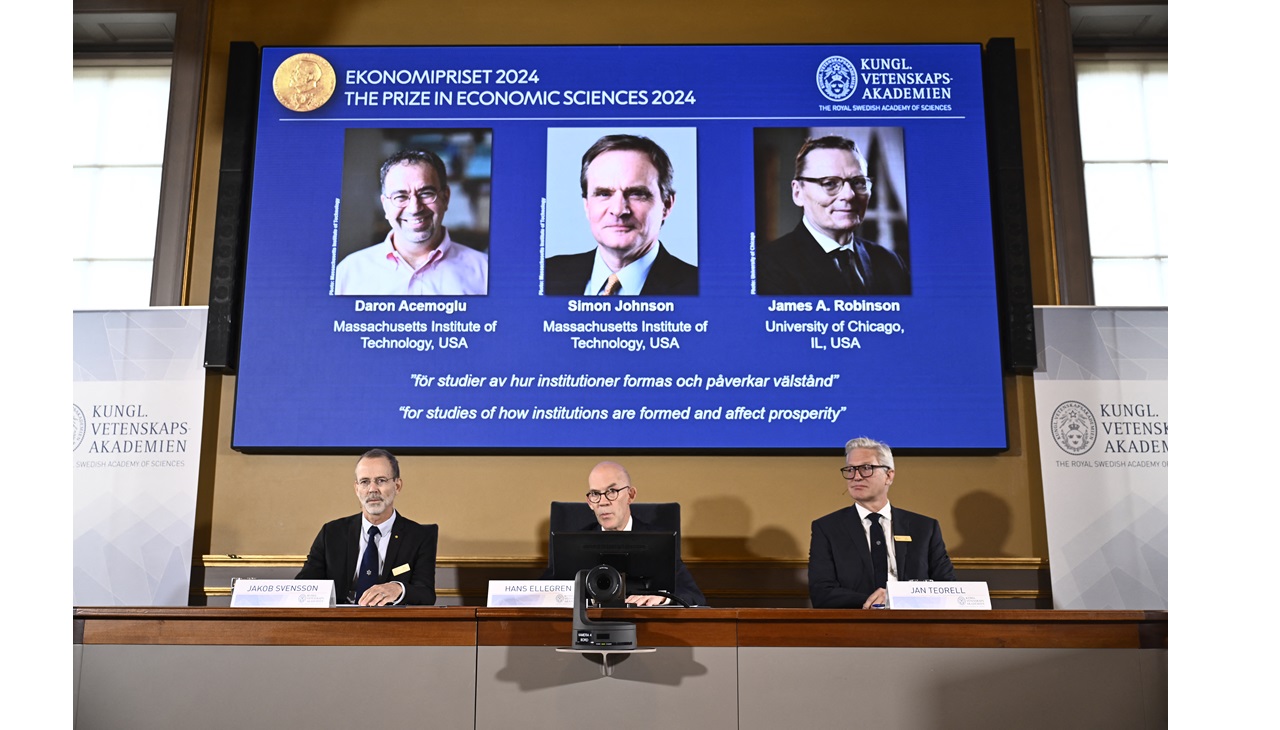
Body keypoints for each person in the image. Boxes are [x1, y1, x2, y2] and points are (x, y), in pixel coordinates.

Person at [808, 437, 955, 608]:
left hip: (915, 624)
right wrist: (874, 601)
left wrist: (900, 598)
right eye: (850, 469)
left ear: (889, 475)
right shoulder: (827, 528)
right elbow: (821, 592)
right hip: (854, 625)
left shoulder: (924, 528)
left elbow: (947, 587)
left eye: (866, 468)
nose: (856, 477)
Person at [545, 134, 697, 296]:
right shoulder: (545, 276)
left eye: (637, 194)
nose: (618, 210)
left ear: (666, 205)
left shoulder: (698, 287)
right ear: (587, 205)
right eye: (604, 194)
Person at [756, 135, 909, 296]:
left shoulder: (891, 263)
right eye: (829, 183)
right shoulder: (766, 266)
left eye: (858, 182)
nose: (849, 195)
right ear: (798, 192)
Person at [541, 461, 706, 606]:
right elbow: (540, 594)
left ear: (631, 495)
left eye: (612, 491)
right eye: (595, 494)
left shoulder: (658, 542)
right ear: (589, 503)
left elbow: (693, 596)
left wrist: (664, 598)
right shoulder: (573, 545)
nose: (603, 502)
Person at [335, 149, 488, 296]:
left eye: (426, 194)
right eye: (400, 197)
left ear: (445, 197)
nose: (414, 208)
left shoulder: (485, 272)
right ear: (385, 205)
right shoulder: (349, 272)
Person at [296, 448, 438, 605]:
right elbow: (304, 585)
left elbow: (426, 594)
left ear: (397, 486)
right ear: (357, 489)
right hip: (338, 624)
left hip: (392, 625)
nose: (372, 489)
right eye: (365, 482)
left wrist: (398, 588)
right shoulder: (331, 533)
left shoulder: (419, 536)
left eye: (381, 480)